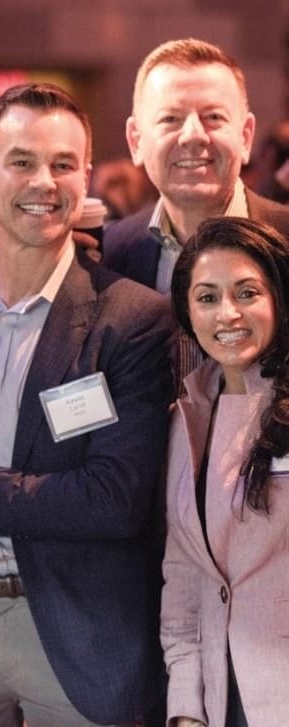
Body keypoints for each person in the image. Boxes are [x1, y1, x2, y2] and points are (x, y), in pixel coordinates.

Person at [0, 83, 174, 726]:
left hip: (73, 631)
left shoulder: (133, 319)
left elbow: (114, 497)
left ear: (86, 177)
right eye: (22, 161)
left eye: (63, 164)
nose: (44, 181)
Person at [163, 216, 289, 725]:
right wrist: (186, 705)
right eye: (208, 297)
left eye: (247, 292)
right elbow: (186, 574)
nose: (228, 314)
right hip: (222, 696)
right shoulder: (185, 417)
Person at [104, 38, 289, 295]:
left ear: (246, 136)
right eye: (170, 119)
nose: (193, 134)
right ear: (136, 141)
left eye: (213, 117)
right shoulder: (107, 255)